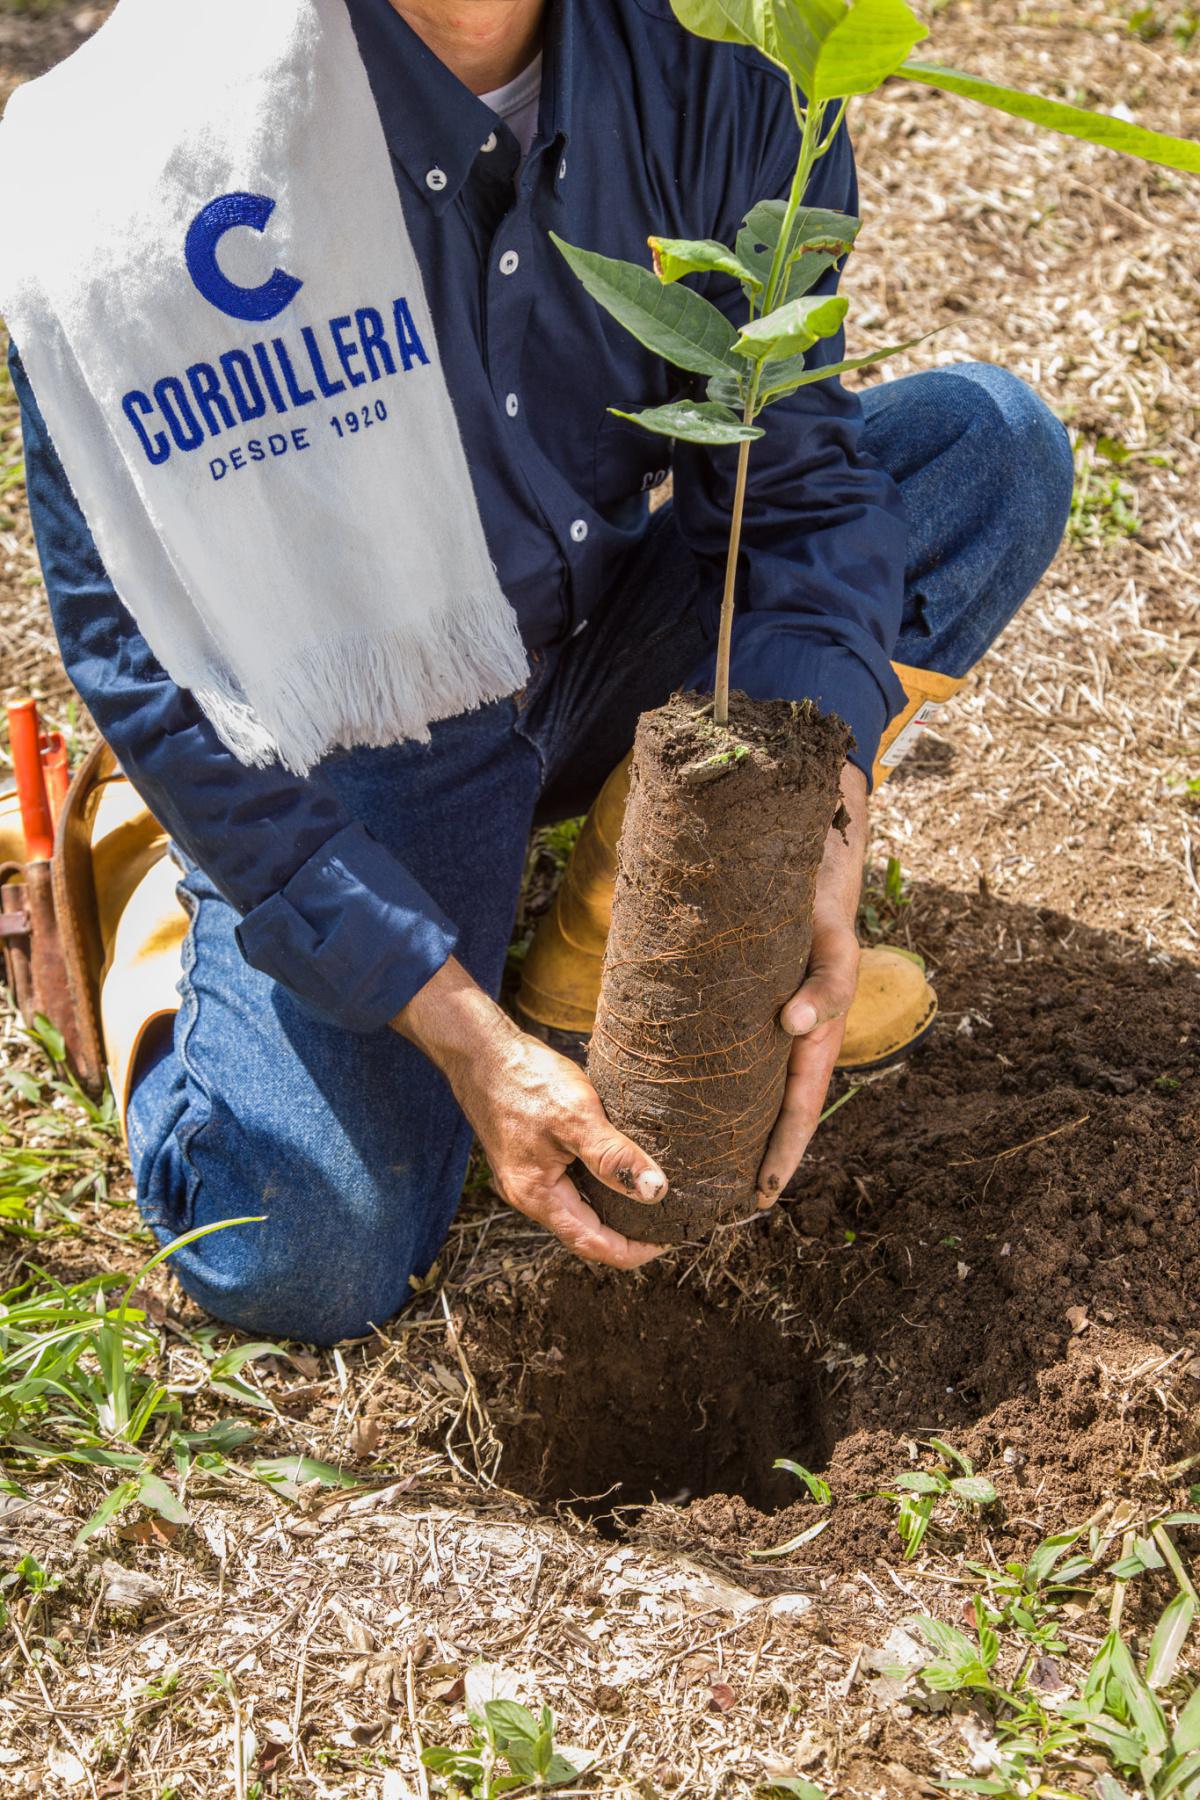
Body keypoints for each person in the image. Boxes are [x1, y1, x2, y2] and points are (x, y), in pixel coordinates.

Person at [10, 0, 1073, 1344]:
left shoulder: (728, 57)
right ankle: (148, 886)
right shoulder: (135, 162)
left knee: (987, 455)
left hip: (600, 624)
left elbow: (792, 486)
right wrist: (457, 1029)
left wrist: (823, 811)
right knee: (299, 1252)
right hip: (361, 732)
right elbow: (146, 659)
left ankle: (603, 936)